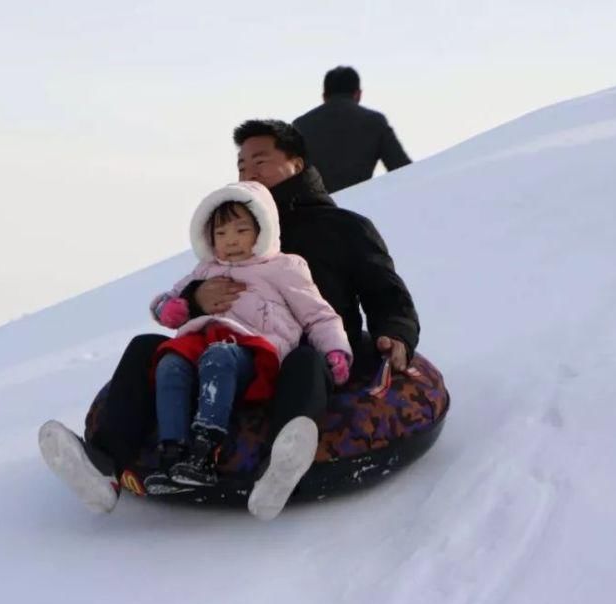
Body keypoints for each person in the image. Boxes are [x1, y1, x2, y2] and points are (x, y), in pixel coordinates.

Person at [38, 119, 419, 520]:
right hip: (224, 349)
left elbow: (385, 291)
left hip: (302, 352)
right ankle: (103, 464)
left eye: (259, 161)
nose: (248, 173)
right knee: (146, 349)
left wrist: (396, 334)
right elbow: (192, 289)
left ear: (297, 163)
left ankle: (279, 465)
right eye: (241, 166)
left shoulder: (344, 228)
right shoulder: (231, 226)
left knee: (304, 361)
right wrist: (195, 299)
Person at [151, 181, 351, 492]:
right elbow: (168, 298)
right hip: (204, 346)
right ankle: (172, 451)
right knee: (170, 363)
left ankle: (205, 453)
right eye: (221, 233)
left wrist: (335, 351)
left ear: (262, 229)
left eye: (240, 230)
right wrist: (171, 308)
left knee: (219, 355)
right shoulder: (204, 271)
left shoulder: (283, 267)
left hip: (256, 355)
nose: (230, 241)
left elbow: (318, 315)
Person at [292, 66, 411, 193]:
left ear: (324, 96)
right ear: (358, 94)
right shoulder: (374, 121)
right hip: (359, 207)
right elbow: (404, 171)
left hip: (314, 209)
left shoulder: (300, 125)